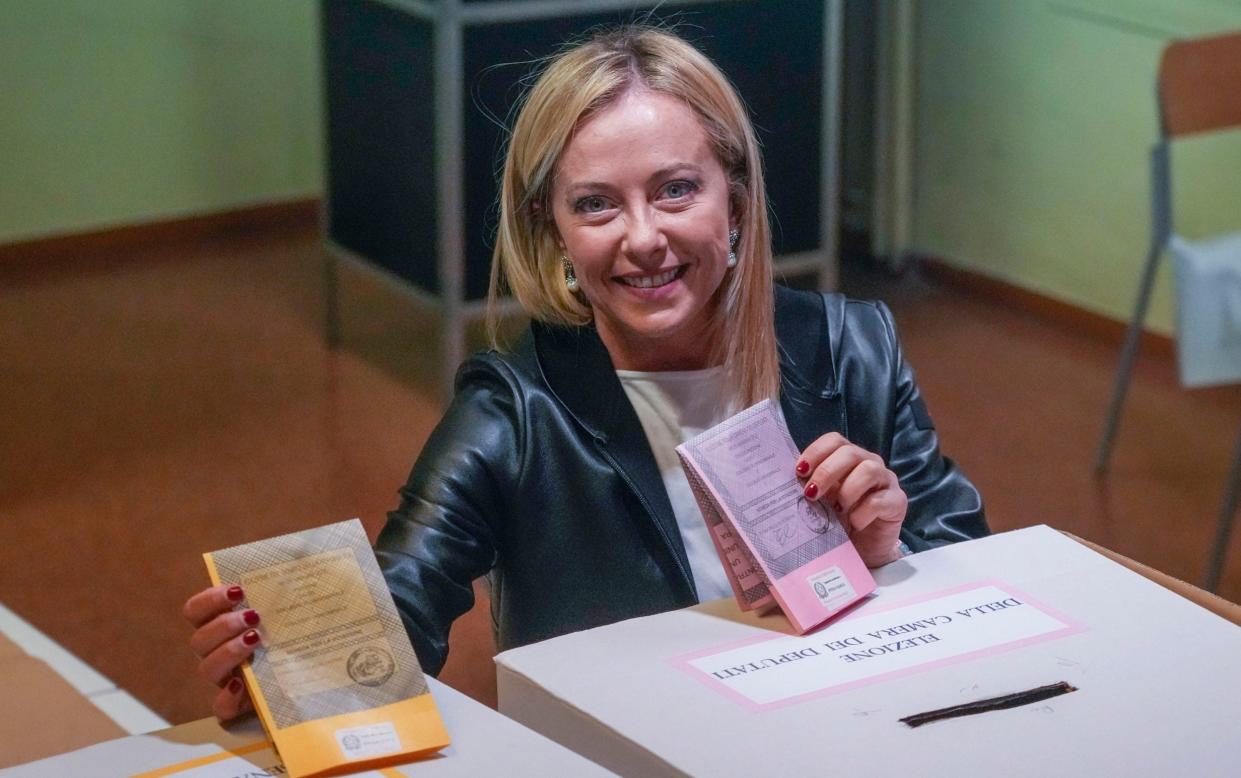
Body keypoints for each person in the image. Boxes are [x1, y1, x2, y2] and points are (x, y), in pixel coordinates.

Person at [184, 25, 987, 720]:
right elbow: (405, 599)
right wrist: (291, 678)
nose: (642, 238)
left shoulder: (851, 348)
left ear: (734, 201)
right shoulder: (514, 410)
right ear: (554, 231)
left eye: (676, 190)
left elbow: (975, 570)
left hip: (841, 726)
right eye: (597, 205)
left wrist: (890, 550)